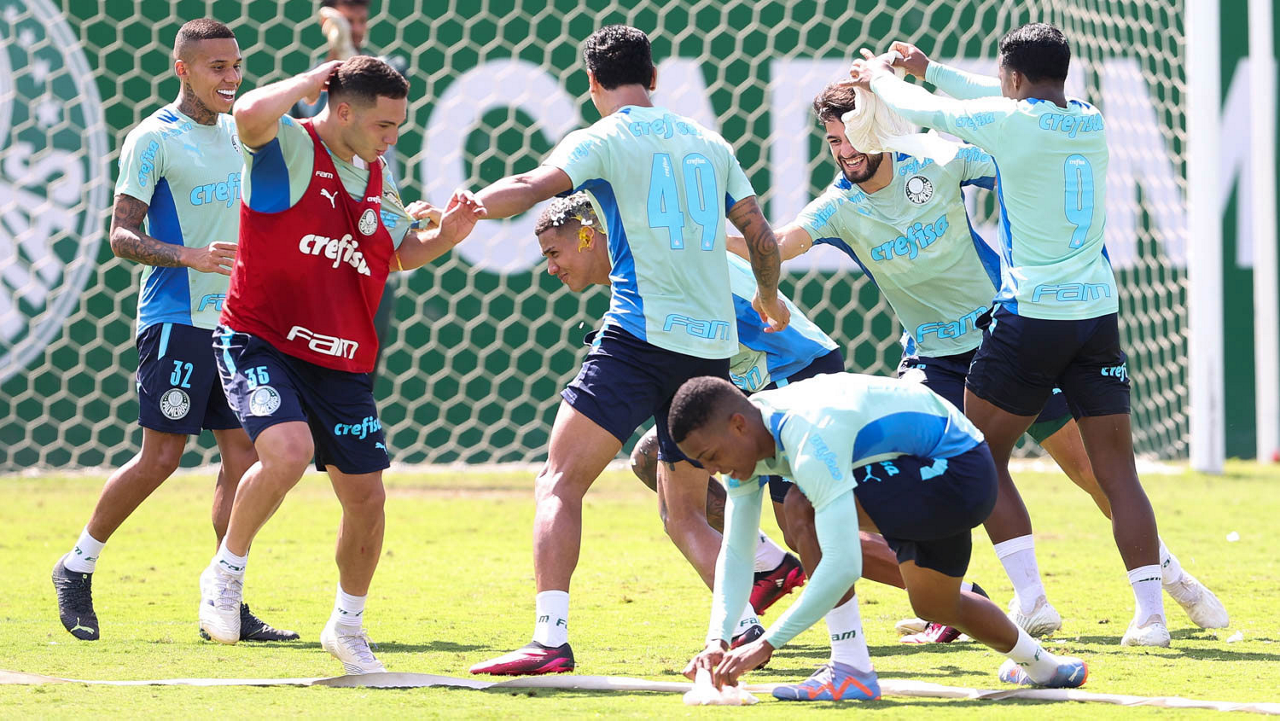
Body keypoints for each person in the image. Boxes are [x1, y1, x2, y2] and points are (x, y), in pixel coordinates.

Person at [739, 79, 1225, 642]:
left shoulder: (938, 160)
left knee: (1092, 473)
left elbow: (1018, 160)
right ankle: (981, 601)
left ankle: (1169, 575)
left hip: (1008, 340)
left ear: (881, 127)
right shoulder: (838, 208)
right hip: (933, 362)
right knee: (893, 479)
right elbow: (776, 243)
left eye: (852, 135)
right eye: (832, 141)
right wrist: (704, 246)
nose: (845, 151)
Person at [466, 25, 789, 676]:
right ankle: (744, 628)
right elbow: (760, 234)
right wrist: (768, 293)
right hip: (708, 350)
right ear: (655, 77)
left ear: (592, 83)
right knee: (685, 512)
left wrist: (468, 206)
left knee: (559, 481)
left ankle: (550, 639)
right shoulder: (711, 144)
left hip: (639, 337)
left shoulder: (605, 136)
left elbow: (532, 184)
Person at [195, 55, 483, 675]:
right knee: (288, 453)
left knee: (367, 498)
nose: (392, 137)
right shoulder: (290, 146)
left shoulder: (377, 174)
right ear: (343, 109)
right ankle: (225, 573)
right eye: (384, 125)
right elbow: (248, 112)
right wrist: (314, 77)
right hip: (261, 338)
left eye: (399, 125)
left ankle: (346, 627)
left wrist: (449, 234)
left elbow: (396, 255)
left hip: (342, 358)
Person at [51, 18, 294, 644]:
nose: (231, 78)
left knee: (243, 458)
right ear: (182, 70)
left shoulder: (245, 132)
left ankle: (225, 598)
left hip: (238, 325)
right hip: (177, 320)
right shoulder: (152, 139)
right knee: (161, 458)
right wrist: (192, 257)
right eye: (217, 67)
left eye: (236, 65)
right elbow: (120, 235)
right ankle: (77, 565)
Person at [672, 374, 1089, 701]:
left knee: (803, 506)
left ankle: (850, 667)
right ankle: (1045, 667)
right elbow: (737, 552)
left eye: (711, 457)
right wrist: (717, 640)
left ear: (738, 426)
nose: (713, 471)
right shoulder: (748, 440)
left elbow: (843, 566)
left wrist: (767, 644)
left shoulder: (807, 436)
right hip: (920, 468)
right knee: (935, 605)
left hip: (957, 470)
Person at [293, 0, 409, 383]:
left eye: (361, 21)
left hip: (375, 236)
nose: (356, 28)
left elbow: (376, 86)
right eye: (347, 21)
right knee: (312, 369)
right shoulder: (309, 88)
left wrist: (345, 49)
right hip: (327, 240)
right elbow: (319, 130)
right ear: (325, 20)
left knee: (361, 370)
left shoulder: (390, 72)